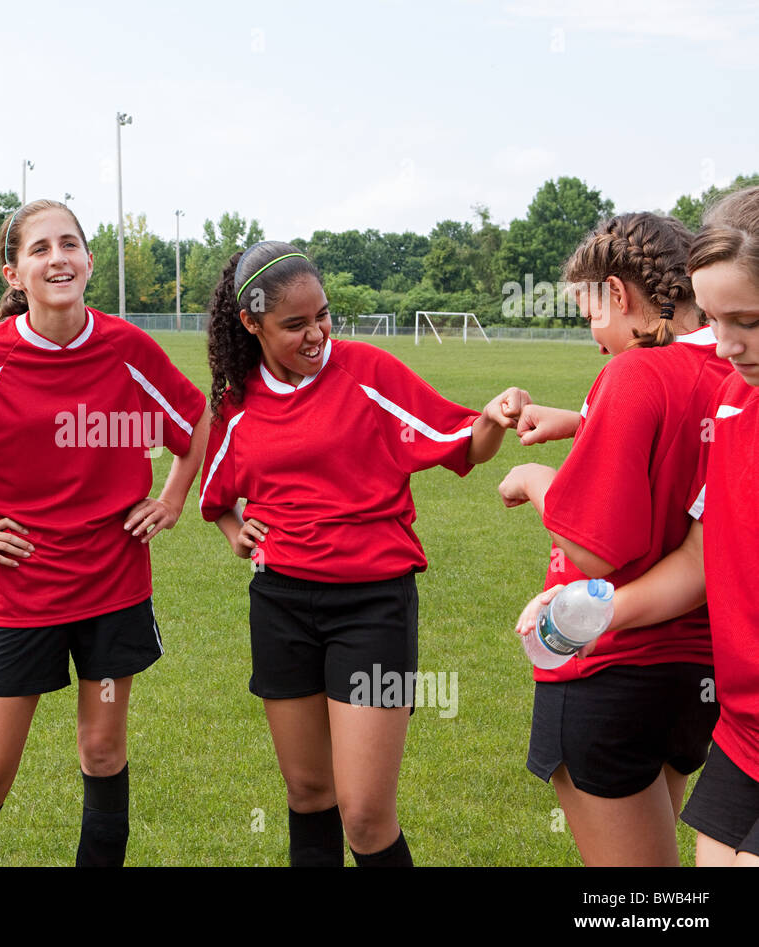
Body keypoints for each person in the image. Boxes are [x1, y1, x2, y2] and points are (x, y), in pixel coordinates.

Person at [0, 199, 210, 866]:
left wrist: (173, 498)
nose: (58, 258)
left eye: (70, 245)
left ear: (88, 260)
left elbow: (197, 421)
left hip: (114, 588)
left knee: (103, 752)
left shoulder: (127, 347)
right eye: (40, 249)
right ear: (14, 273)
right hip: (24, 595)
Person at [199, 240, 527, 866]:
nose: (316, 332)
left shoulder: (367, 372)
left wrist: (490, 416)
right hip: (281, 605)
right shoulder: (238, 401)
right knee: (307, 794)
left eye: (322, 314)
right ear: (251, 323)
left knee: (366, 814)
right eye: (294, 325)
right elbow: (216, 493)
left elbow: (461, 443)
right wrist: (232, 529)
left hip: (372, 605)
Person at [518, 186, 759, 866]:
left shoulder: (639, 374)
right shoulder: (732, 381)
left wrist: (538, 481)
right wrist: (583, 423)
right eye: (719, 319)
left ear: (618, 294)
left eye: (589, 312)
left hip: (610, 670)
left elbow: (594, 550)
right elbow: (701, 527)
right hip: (711, 692)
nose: (726, 342)